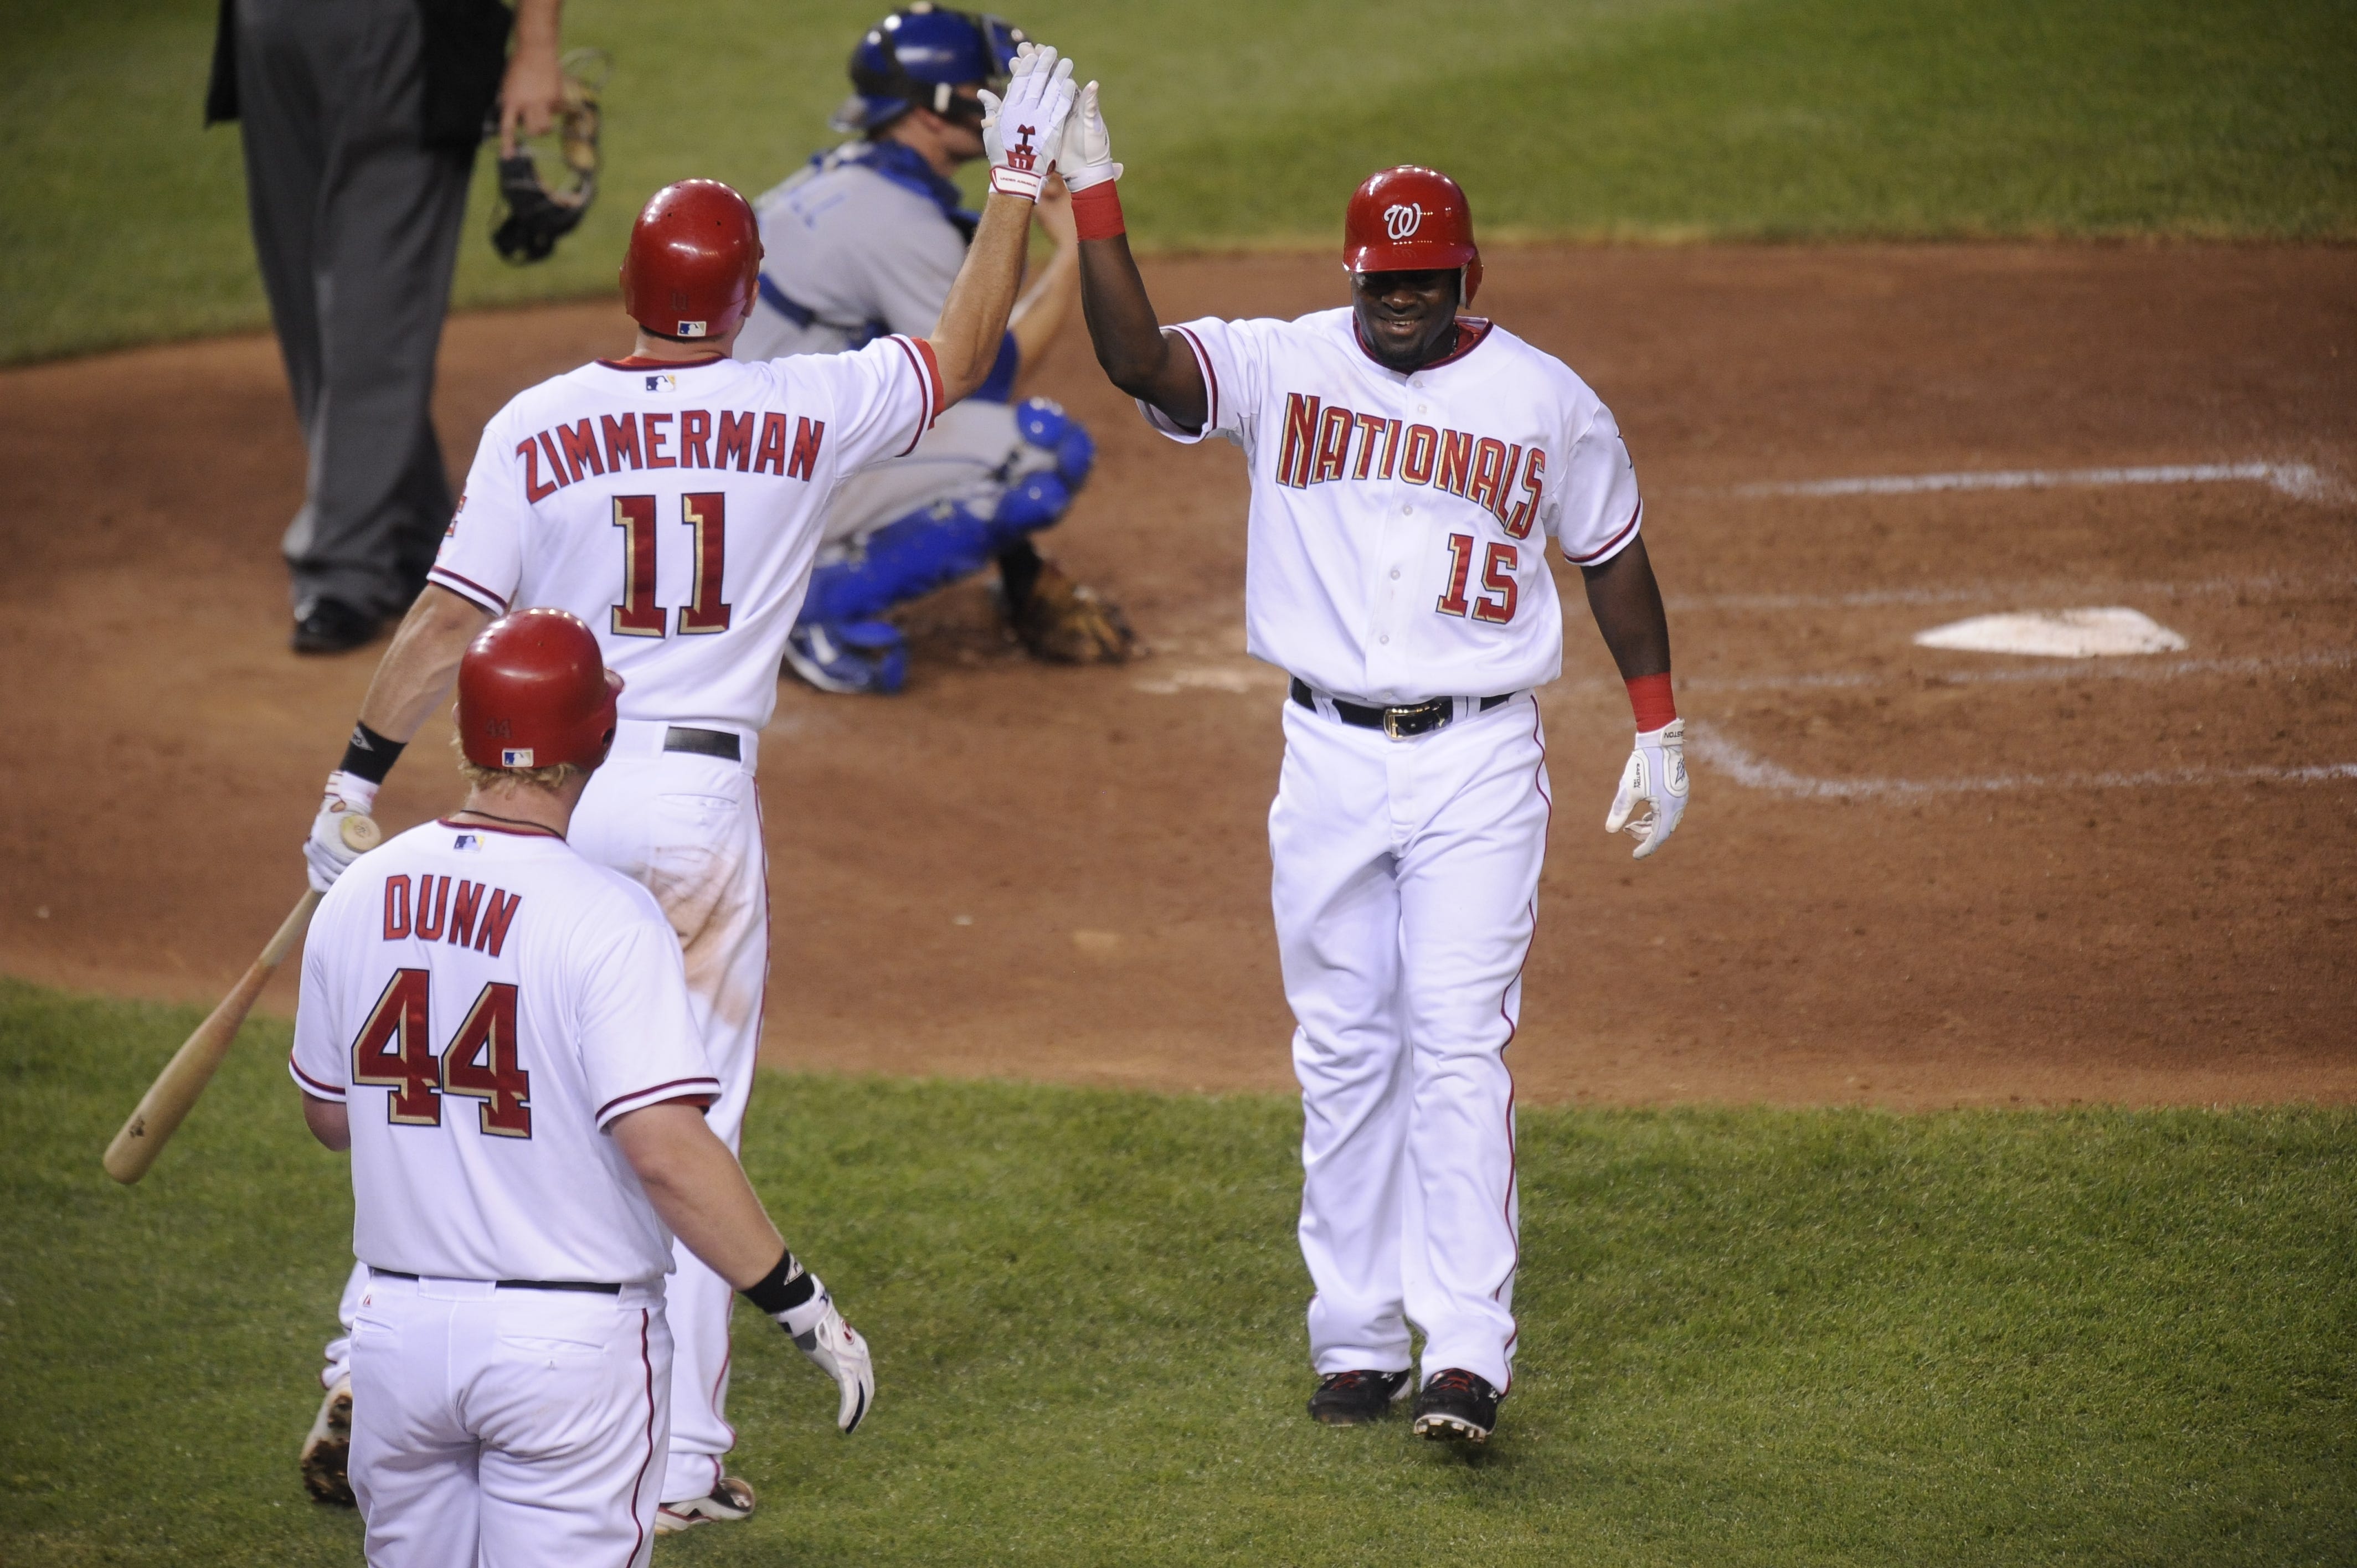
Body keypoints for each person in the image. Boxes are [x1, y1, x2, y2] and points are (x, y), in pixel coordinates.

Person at [291, 40, 1083, 1528]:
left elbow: (447, 621)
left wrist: (356, 776)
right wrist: (1020, 181)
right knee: (680, 1111)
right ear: (739, 299)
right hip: (698, 810)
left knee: (482, 1067)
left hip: (545, 792)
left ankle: (368, 1356)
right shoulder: (799, 409)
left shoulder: (536, 424)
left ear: (634, 294)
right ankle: (676, 1462)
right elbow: (970, 352)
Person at [1067, 126, 1691, 1444]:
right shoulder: (1282, 362)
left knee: (1459, 1049)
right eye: (1381, 285)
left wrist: (1660, 724)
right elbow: (1136, 359)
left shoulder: (1546, 397)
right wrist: (1095, 197)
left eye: (1424, 284)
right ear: (1351, 276)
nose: (1400, 305)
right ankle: (1355, 1338)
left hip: (1477, 761)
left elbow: (1613, 557)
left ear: (1468, 277)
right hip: (1327, 757)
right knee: (1345, 1051)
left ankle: (1466, 1352)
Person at [291, 607, 872, 1566]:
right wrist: (797, 1299)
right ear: (598, 734)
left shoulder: (361, 891)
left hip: (394, 1339)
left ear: (467, 733)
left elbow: (328, 1116)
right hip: (567, 1349)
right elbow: (667, 1152)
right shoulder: (608, 916)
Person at [737, 3, 1131, 695]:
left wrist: (1021, 570)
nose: (1002, 107)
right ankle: (810, 607)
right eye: (982, 89)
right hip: (764, 494)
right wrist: (1071, 251)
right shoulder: (898, 224)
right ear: (928, 112)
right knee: (1037, 453)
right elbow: (979, 378)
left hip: (732, 462)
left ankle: (791, 572)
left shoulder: (843, 180)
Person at [205, 0, 565, 654]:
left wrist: (537, 43)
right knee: (305, 304)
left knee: (377, 294)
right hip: (268, 26)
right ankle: (415, 538)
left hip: (407, 29)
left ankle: (343, 568)